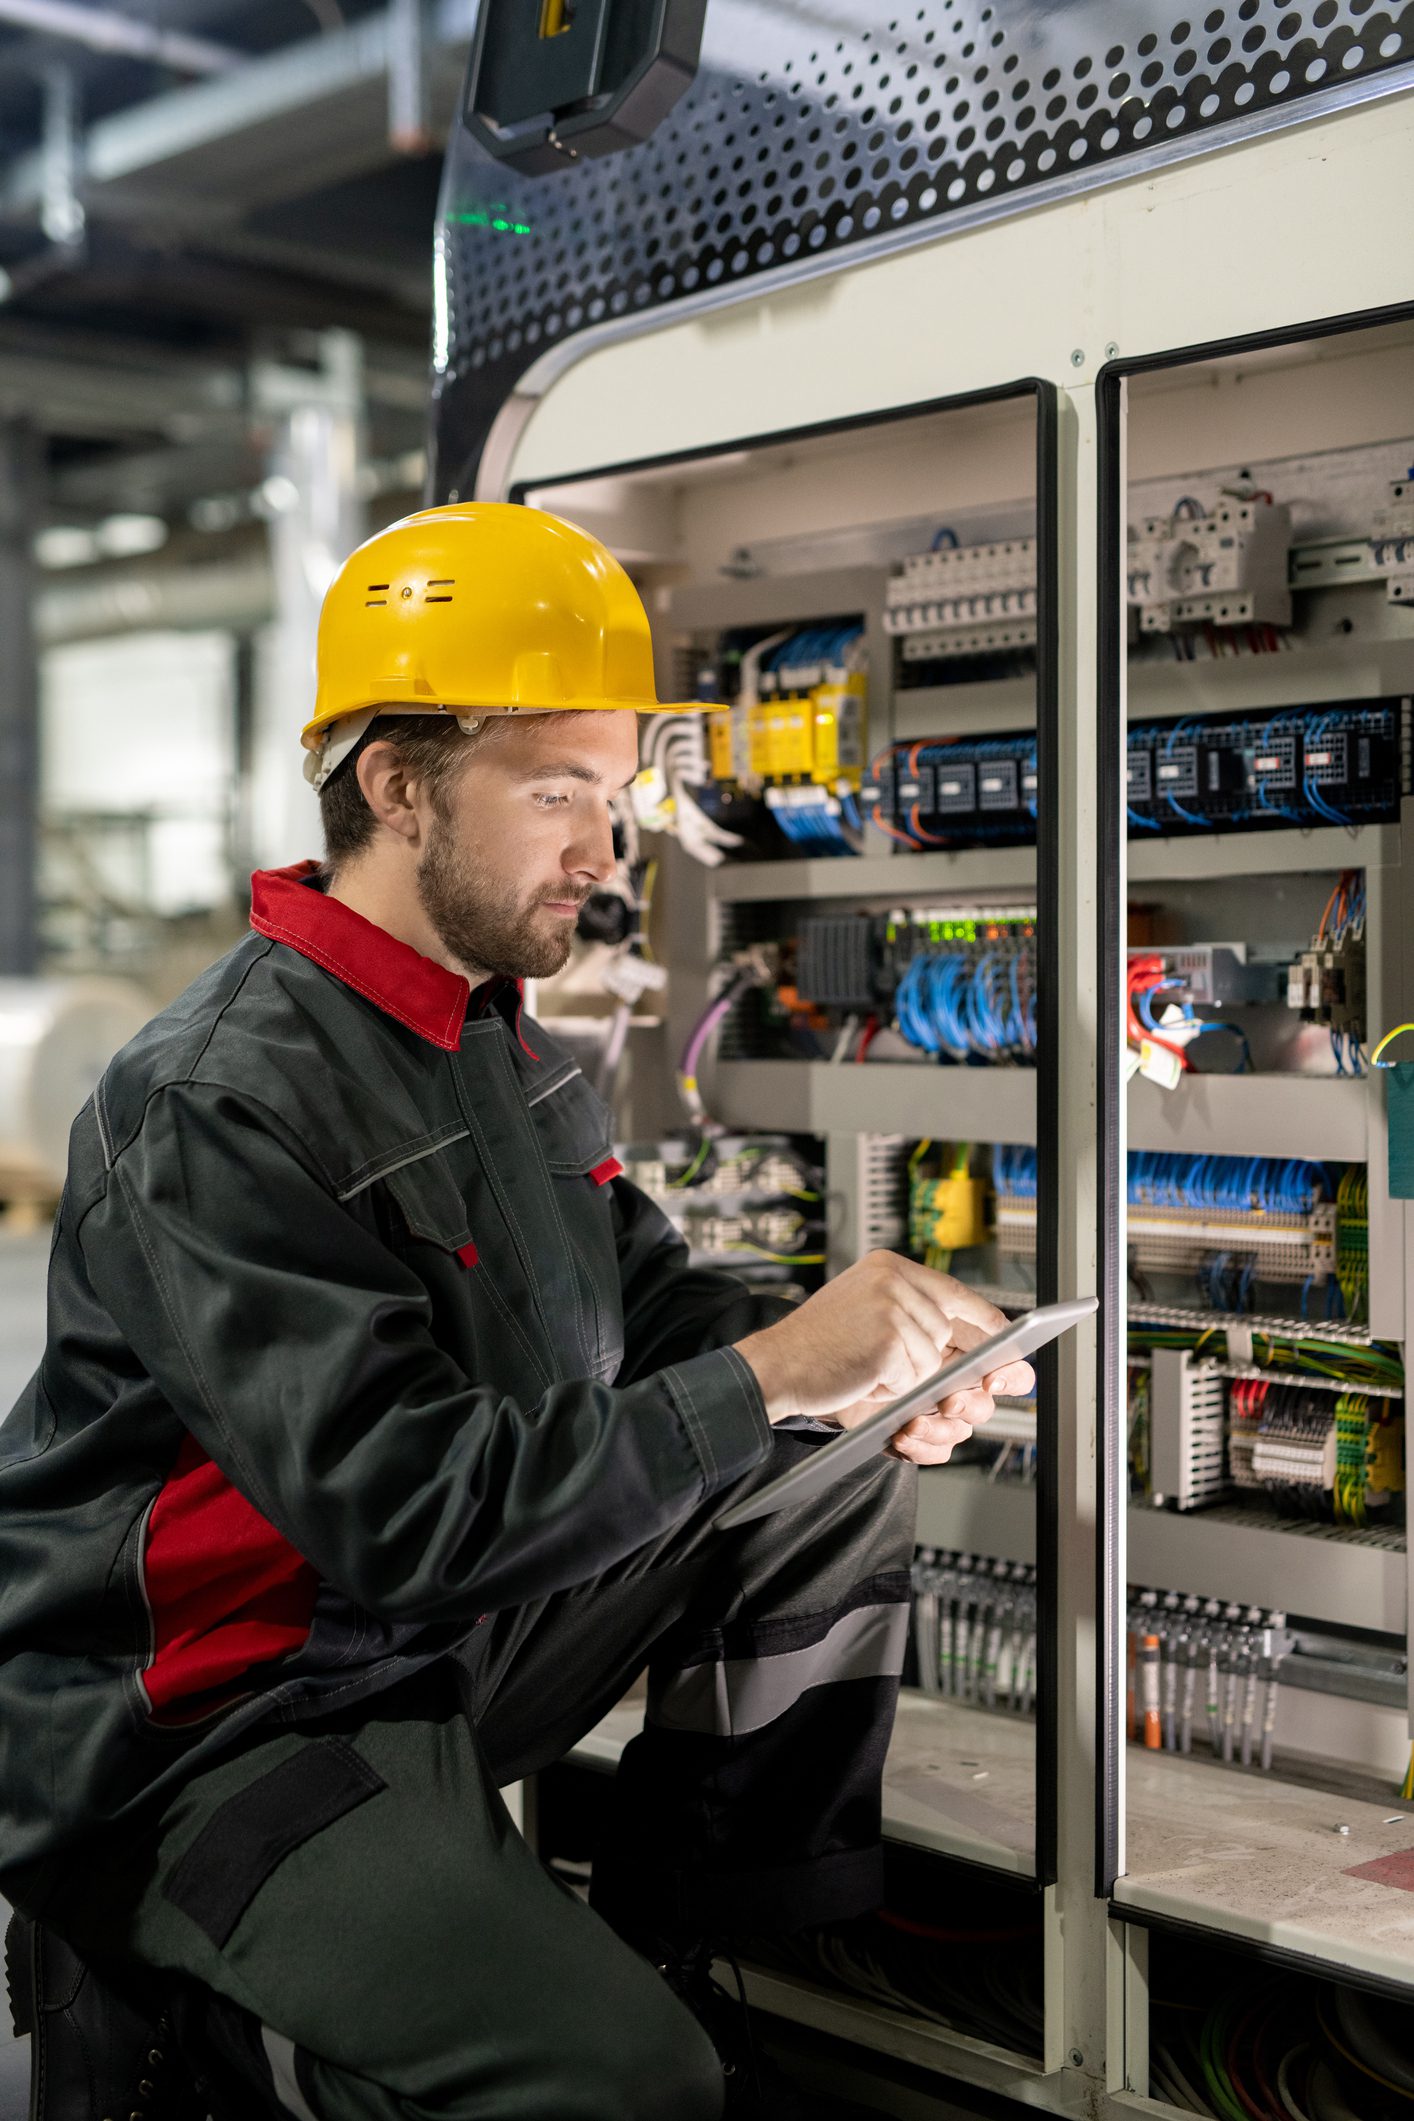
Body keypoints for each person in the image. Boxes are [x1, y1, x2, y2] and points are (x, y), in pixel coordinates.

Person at [0, 503, 1033, 2121]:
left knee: (830, 1473)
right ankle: (218, 2041)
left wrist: (859, 1367)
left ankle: (693, 1942)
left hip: (421, 1646)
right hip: (217, 1719)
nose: (601, 853)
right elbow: (405, 1512)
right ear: (396, 784)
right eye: (555, 793)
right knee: (613, 2088)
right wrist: (772, 1372)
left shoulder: (492, 1045)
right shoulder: (212, 1098)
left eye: (611, 798)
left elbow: (655, 1302)